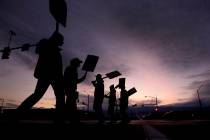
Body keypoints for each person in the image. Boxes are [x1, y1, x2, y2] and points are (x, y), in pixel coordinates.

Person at [17, 32, 65, 117]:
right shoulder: (47, 46)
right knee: (38, 95)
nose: (63, 42)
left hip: (54, 77)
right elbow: (41, 51)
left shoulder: (54, 49)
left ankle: (59, 118)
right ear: (57, 40)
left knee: (59, 96)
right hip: (47, 75)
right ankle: (18, 113)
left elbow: (58, 67)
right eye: (62, 40)